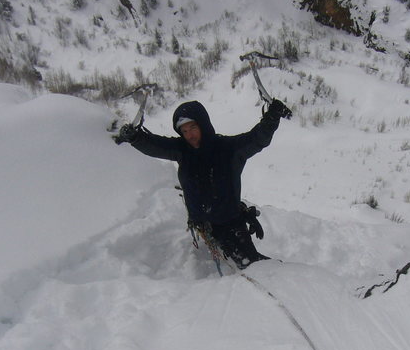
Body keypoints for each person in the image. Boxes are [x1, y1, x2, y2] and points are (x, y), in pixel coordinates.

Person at [115, 98, 291, 268]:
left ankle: (287, 277)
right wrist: (135, 138)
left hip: (230, 221)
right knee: (246, 262)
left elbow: (256, 139)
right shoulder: (182, 150)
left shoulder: (228, 149)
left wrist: (271, 118)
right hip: (204, 224)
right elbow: (155, 145)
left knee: (250, 263)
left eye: (193, 127)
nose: (189, 135)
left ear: (203, 125)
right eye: (184, 131)